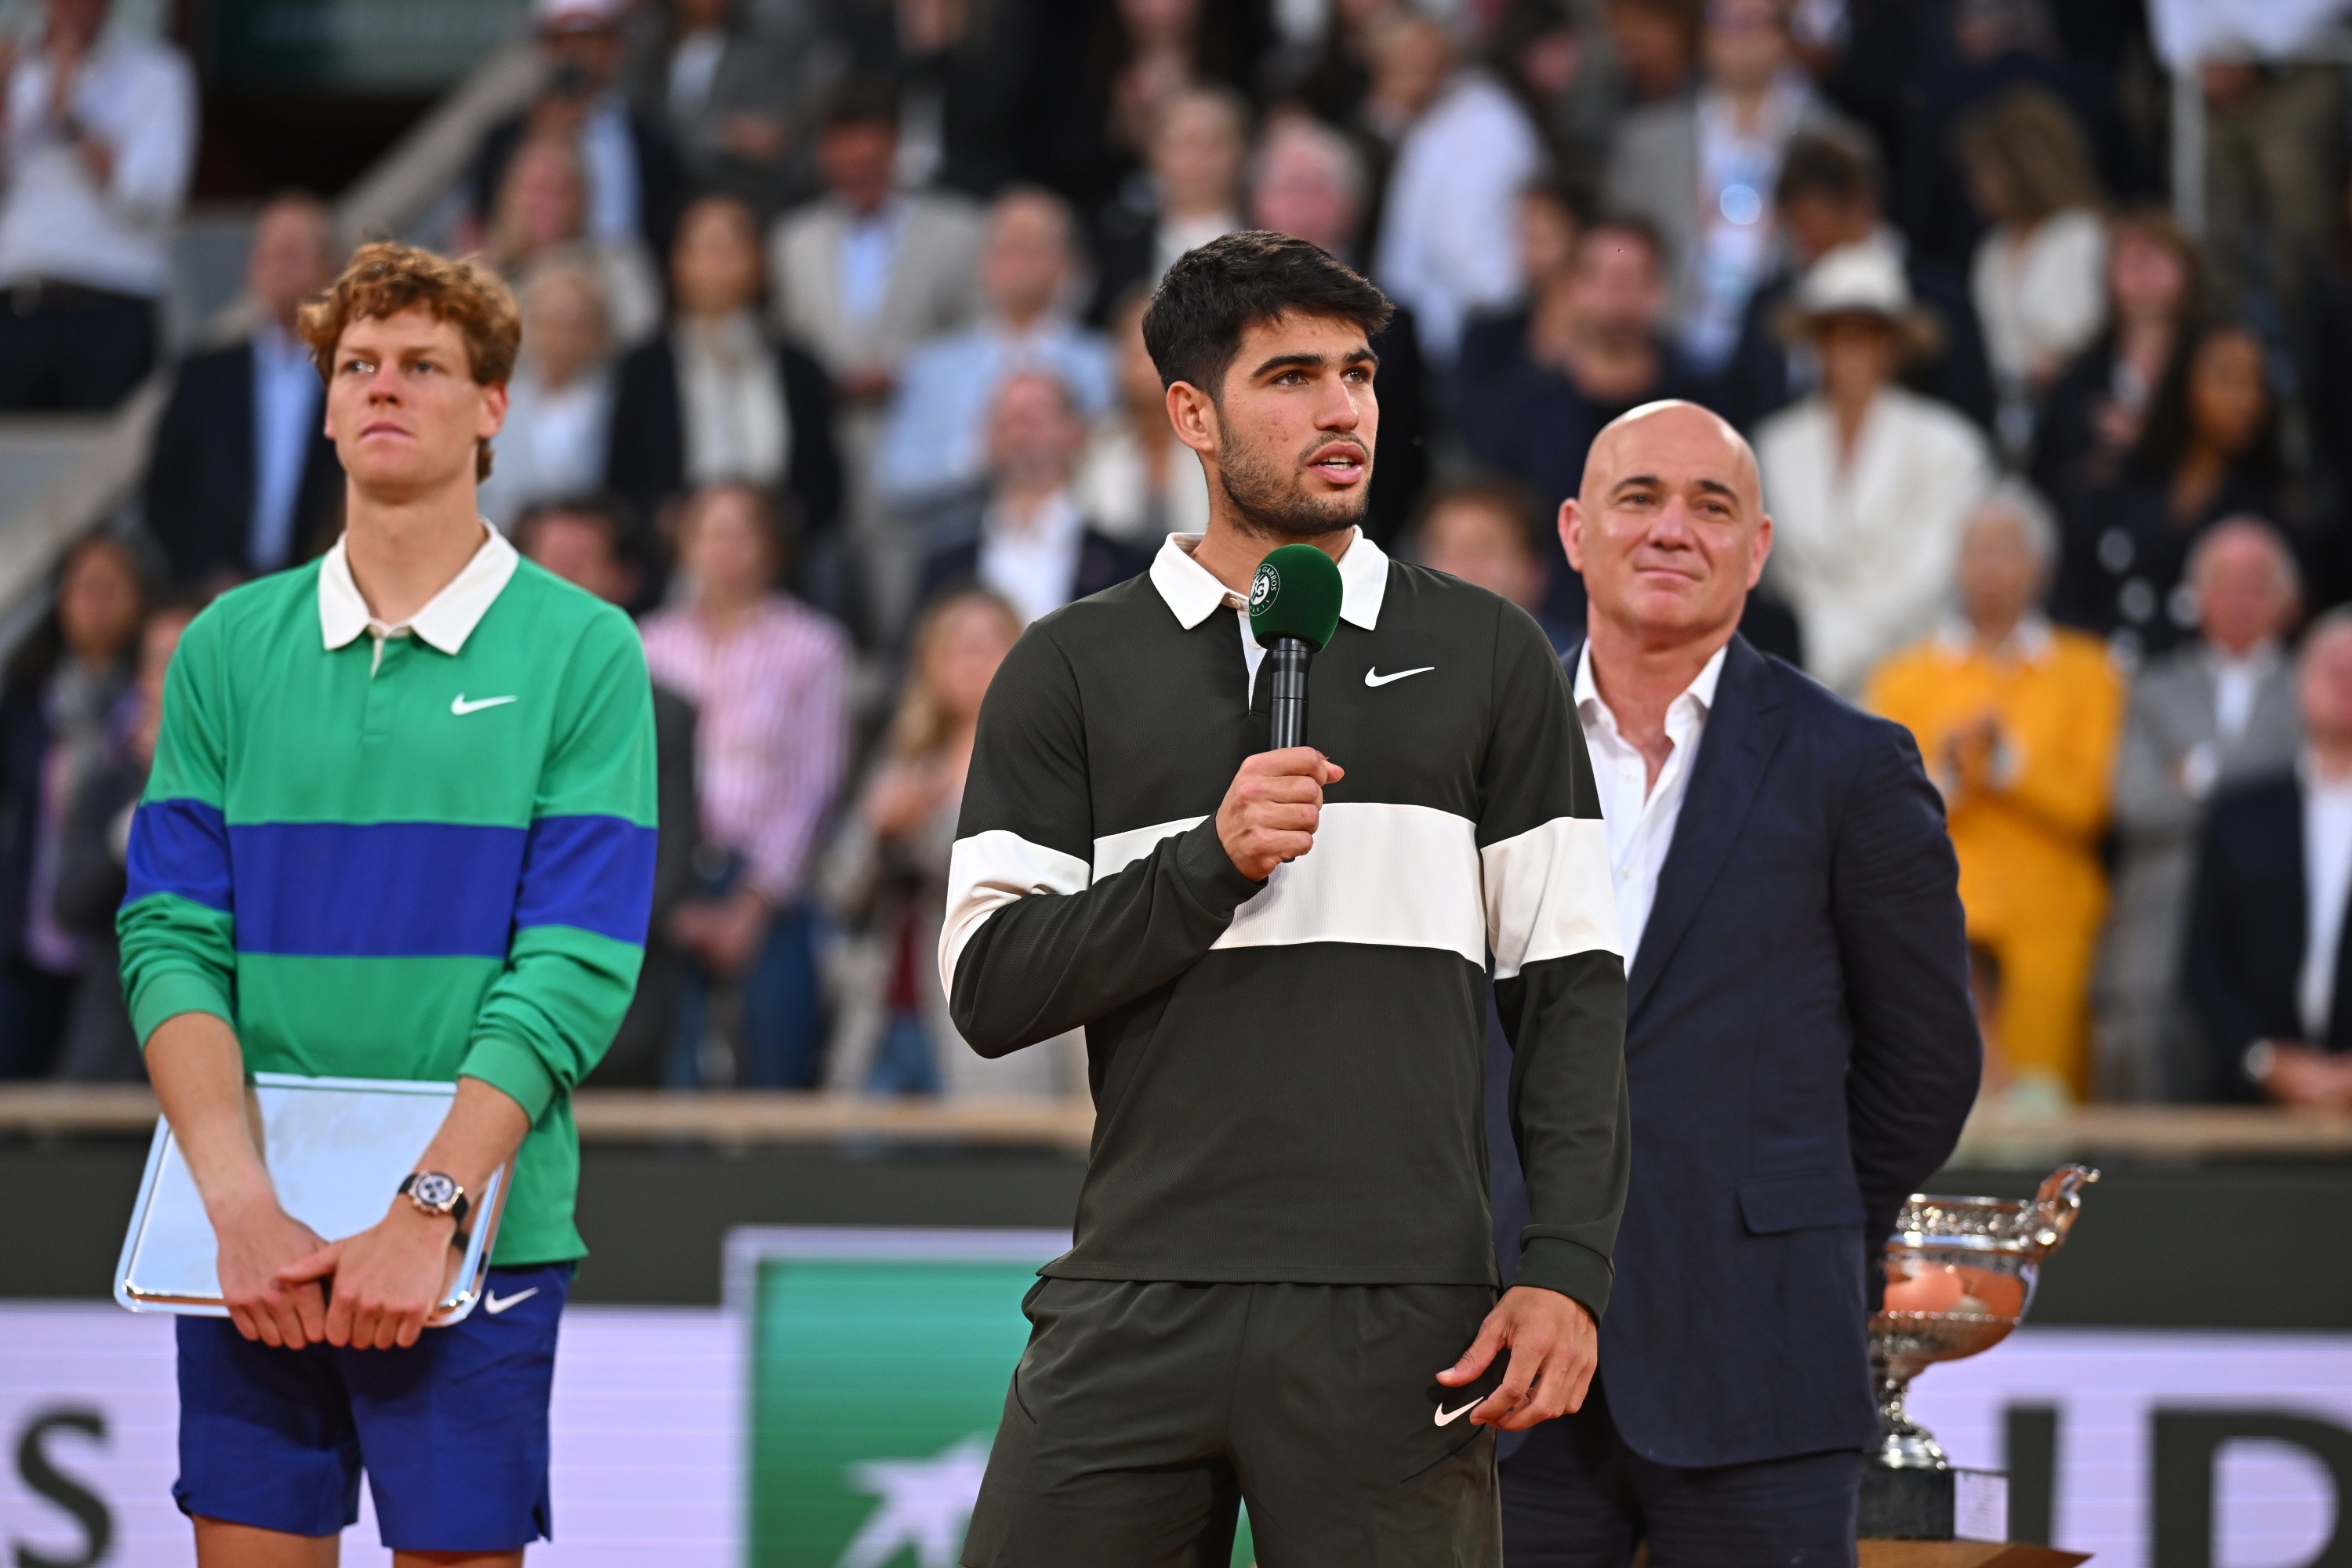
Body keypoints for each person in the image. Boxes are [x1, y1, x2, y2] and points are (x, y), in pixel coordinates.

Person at [953, 231, 1629, 1564]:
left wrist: (1566, 1271)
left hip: (1404, 1312)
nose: (1341, 410)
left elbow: (1571, 999)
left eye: (1360, 374)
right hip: (1138, 1287)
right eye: (1292, 377)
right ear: (1192, 415)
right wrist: (1206, 863)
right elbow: (992, 988)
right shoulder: (1067, 665)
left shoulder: (1490, 651)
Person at [118, 241, 656, 1563]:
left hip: (473, 1234)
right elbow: (169, 937)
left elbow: (574, 966)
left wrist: (430, 1212)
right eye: (357, 365)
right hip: (254, 1234)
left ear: (492, 408)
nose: (383, 387)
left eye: (424, 365)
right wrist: (240, 1208)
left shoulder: (584, 649)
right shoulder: (226, 646)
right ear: (322, 401)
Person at [1498, 398, 1978, 1566]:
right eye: (1638, 498)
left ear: (1758, 548)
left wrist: (1780, 1212)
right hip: (1503, 1355)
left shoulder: (1853, 766)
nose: (1674, 528)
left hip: (1761, 1360)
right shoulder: (1486, 755)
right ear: (1574, 531)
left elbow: (1926, 1065)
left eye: (1712, 505)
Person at [1865, 485, 2124, 1104]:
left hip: (2050, 926)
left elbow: (2092, 806)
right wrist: (1953, 769)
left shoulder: (2088, 671)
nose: (1990, 566)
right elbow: (1881, 813)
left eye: (2007, 550)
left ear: (2043, 567)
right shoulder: (1904, 676)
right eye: (1976, 550)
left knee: (2044, 1104)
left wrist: (2007, 765)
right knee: (1926, 1101)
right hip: (1938, 925)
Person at [821, 587, 1084, 1098]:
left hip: (985, 1019)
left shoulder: (1047, 765)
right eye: (956, 645)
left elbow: (1034, 886)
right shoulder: (903, 757)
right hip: (884, 1013)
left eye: (988, 644)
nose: (971, 659)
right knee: (866, 1169)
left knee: (981, 1171)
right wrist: (876, 831)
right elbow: (836, 891)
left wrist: (922, 827)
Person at [639, 481, 848, 1088]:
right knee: (668, 1070)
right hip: (664, 882)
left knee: (774, 1071)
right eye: (709, 531)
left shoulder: (813, 646)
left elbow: (815, 783)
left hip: (767, 885)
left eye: (741, 532)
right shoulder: (647, 642)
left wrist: (751, 906)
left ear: (771, 545)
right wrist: (670, 902)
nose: (724, 548)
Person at [2097, 517, 2303, 1102]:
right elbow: (2134, 801)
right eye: (2223, 581)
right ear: (2196, 595)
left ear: (2286, 599)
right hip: (2156, 938)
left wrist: (2197, 775)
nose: (2239, 598)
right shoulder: (2152, 687)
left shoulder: (2313, 686)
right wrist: (2257, 788)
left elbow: (2312, 795)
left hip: (2269, 939)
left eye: (2256, 582)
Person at [513, 495, 702, 1085]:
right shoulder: (463, 708)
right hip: (477, 996)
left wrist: (557, 949)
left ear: (623, 580)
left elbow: (667, 870)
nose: (563, 582)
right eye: (547, 563)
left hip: (617, 1002)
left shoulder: (665, 713)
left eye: (582, 563)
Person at [1757, 242, 1995, 697]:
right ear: (1815, 342)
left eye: (1868, 333)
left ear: (1894, 345)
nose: (1851, 349)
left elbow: (1929, 576)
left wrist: (1821, 646)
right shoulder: (1774, 446)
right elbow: (1778, 571)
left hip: (1916, 681)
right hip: (1796, 683)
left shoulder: (1951, 446)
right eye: (1834, 332)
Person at [1602, 0, 1850, 377]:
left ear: (1786, 32)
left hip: (1787, 362)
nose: (1743, 38)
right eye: (1727, 20)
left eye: (1759, 21)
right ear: (1702, 32)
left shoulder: (1837, 144)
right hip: (1669, 357)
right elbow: (1617, 247)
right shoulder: (1647, 144)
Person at [1715, 132, 1995, 434]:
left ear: (1863, 206)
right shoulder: (1769, 304)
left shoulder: (1938, 298)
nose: (1808, 243)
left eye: (1822, 231)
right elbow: (1742, 412)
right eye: (1798, 230)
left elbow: (1968, 417)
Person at [605, 193, 841, 548]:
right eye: (705, 247)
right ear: (677, 262)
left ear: (762, 263)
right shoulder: (644, 367)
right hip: (672, 552)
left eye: (733, 246)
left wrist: (780, 525)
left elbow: (823, 482)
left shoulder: (799, 366)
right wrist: (664, 517)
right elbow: (624, 476)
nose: (719, 261)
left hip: (784, 553)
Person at [2187, 609, 2352, 1108]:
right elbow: (2202, 960)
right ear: (2298, 682)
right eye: (2330, 665)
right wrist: (2262, 1059)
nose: (2345, 679)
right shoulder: (2240, 816)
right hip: (2251, 1106)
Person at [2053, 322, 2291, 664]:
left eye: (2257, 384)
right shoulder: (2117, 483)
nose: (2245, 399)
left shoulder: (2269, 509)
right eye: (2227, 378)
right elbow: (2072, 600)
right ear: (2183, 379)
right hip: (2103, 679)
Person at [0, 0, 196, 410]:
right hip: (15, 306)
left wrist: (70, 116)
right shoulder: (16, 71)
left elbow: (149, 195)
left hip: (109, 307)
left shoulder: (157, 75)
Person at [143, 192, 345, 587]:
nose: (282, 266)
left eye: (296, 252)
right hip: (217, 597)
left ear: (331, 270)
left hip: (321, 592)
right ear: (252, 267)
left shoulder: (358, 377)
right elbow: (164, 492)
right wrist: (206, 572)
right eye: (272, 252)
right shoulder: (204, 376)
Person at [0, 531, 146, 1076]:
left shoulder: (152, 702)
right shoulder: (30, 695)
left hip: (113, 946)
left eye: (110, 586)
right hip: (31, 937)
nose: (94, 601)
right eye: (82, 587)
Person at [1247, 116, 1429, 545]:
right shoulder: (1226, 319)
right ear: (1258, 206)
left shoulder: (1393, 324)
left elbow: (1404, 460)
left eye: (1316, 189)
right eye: (1287, 189)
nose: (1301, 206)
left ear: (1351, 207)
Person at [873, 187, 1116, 509]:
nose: (1016, 262)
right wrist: (977, 456)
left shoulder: (1105, 362)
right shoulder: (931, 366)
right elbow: (894, 481)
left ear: (1067, 264)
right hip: (960, 546)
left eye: (1032, 247)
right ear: (983, 264)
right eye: (1005, 248)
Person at [767, 81, 985, 416]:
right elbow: (783, 336)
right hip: (827, 431)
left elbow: (980, 331)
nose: (859, 178)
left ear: (895, 149)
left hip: (930, 424)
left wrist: (908, 372)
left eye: (871, 166)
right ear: (825, 156)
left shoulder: (960, 230)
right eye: (847, 168)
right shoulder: (793, 241)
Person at [51, 593, 198, 1082]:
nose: (179, 680)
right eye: (163, 664)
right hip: (115, 1051)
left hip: (216, 1054)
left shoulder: (257, 788)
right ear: (143, 681)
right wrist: (158, 790)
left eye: (194, 661)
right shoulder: (108, 787)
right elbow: (71, 902)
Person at [913, 369, 1152, 627]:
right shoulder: (943, 569)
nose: (1019, 427)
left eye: (1037, 413)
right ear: (985, 436)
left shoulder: (1131, 568)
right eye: (1004, 416)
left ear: (1076, 432)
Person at [1374, 22, 1544, 367]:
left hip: (1474, 331)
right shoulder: (1420, 123)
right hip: (1437, 330)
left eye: (1424, 63)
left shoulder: (1478, 126)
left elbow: (1464, 252)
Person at [468, 0, 688, 260]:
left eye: (590, 39)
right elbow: (487, 220)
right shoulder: (504, 138)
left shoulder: (654, 144)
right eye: (563, 40)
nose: (576, 52)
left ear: (615, 48)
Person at [1955, 85, 2109, 451]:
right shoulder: (1992, 248)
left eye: (1985, 173)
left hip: (2068, 414)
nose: (1976, 187)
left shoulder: (2082, 236)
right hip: (2004, 416)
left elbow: (2091, 333)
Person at [2031, 207, 2205, 506]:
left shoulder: (2215, 362)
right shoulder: (2079, 379)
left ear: (2188, 272)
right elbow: (2049, 478)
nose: (2142, 270)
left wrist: (2150, 440)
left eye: (2156, 255)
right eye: (2129, 258)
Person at [476, 132, 662, 350]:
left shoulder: (620, 265)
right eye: (537, 188)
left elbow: (642, 341)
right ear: (509, 195)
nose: (548, 203)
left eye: (562, 190)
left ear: (584, 200)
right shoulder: (480, 275)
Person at [624, 0, 803, 217]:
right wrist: (720, 132)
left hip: (740, 196)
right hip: (662, 199)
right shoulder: (649, 57)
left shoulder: (760, 56)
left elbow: (772, 138)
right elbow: (643, 122)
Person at [477, 263, 619, 533]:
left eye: (576, 324)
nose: (562, 337)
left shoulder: (616, 401)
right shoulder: (497, 399)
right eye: (550, 321)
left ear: (598, 329)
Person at [1089, 85, 1249, 322]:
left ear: (1240, 151)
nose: (1199, 157)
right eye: (1186, 142)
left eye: (1215, 142)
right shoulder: (1117, 247)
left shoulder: (1271, 241)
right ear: (1154, 153)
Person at [1073, 285, 1212, 543]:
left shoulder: (1221, 443)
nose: (1145, 368)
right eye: (1135, 353)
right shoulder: (1096, 447)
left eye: (1155, 352)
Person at [1413, 474, 1577, 654]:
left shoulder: (1584, 670)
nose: (1466, 568)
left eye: (1484, 548)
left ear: (1533, 571)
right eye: (1451, 551)